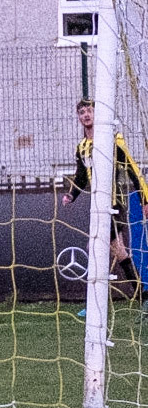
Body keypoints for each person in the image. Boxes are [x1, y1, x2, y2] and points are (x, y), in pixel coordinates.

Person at [62, 97, 146, 288]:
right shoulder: (82, 147)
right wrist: (71, 195)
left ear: (97, 114)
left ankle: (94, 302)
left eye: (89, 111)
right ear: (78, 117)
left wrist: (144, 199)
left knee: (93, 247)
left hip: (114, 205)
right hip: (98, 205)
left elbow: (131, 169)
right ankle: (142, 294)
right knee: (119, 251)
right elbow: (81, 176)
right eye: (82, 112)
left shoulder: (112, 139)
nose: (86, 115)